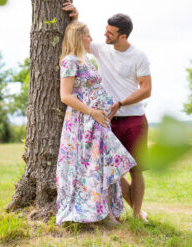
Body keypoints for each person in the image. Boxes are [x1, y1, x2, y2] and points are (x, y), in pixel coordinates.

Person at [63, 2, 152, 222]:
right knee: (112, 168)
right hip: (108, 122)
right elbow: (79, 38)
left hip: (133, 119)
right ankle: (133, 210)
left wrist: (120, 103)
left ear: (123, 36)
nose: (104, 34)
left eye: (110, 32)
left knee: (135, 169)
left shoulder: (138, 56)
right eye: (105, 29)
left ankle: (136, 214)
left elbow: (146, 89)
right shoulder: (102, 49)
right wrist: (75, 16)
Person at [55, 21, 137, 226]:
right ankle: (94, 214)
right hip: (82, 122)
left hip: (97, 122)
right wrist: (91, 111)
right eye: (88, 35)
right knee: (91, 167)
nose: (91, 39)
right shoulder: (69, 61)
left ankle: (108, 212)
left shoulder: (86, 60)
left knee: (105, 164)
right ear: (78, 37)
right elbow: (65, 96)